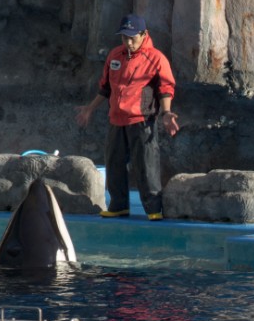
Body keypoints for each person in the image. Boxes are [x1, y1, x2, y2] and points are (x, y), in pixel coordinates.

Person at [76, 14, 178, 220]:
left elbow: (165, 88)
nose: (128, 42)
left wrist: (166, 113)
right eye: (124, 38)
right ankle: (118, 205)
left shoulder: (156, 58)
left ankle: (153, 208)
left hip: (142, 119)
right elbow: (105, 88)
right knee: (114, 163)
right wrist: (90, 108)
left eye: (133, 38)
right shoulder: (115, 55)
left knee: (145, 164)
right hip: (116, 119)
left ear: (144, 34)